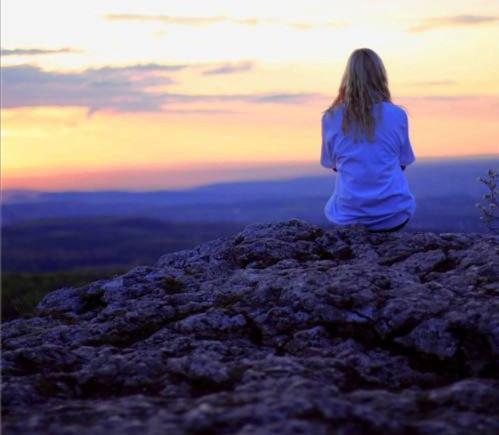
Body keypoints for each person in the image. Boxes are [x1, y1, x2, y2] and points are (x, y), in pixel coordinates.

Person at [320, 48, 416, 233]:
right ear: (381, 76)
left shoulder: (331, 118)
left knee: (334, 202)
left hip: (348, 217)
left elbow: (333, 165)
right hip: (394, 215)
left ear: (347, 77)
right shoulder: (397, 115)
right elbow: (403, 163)